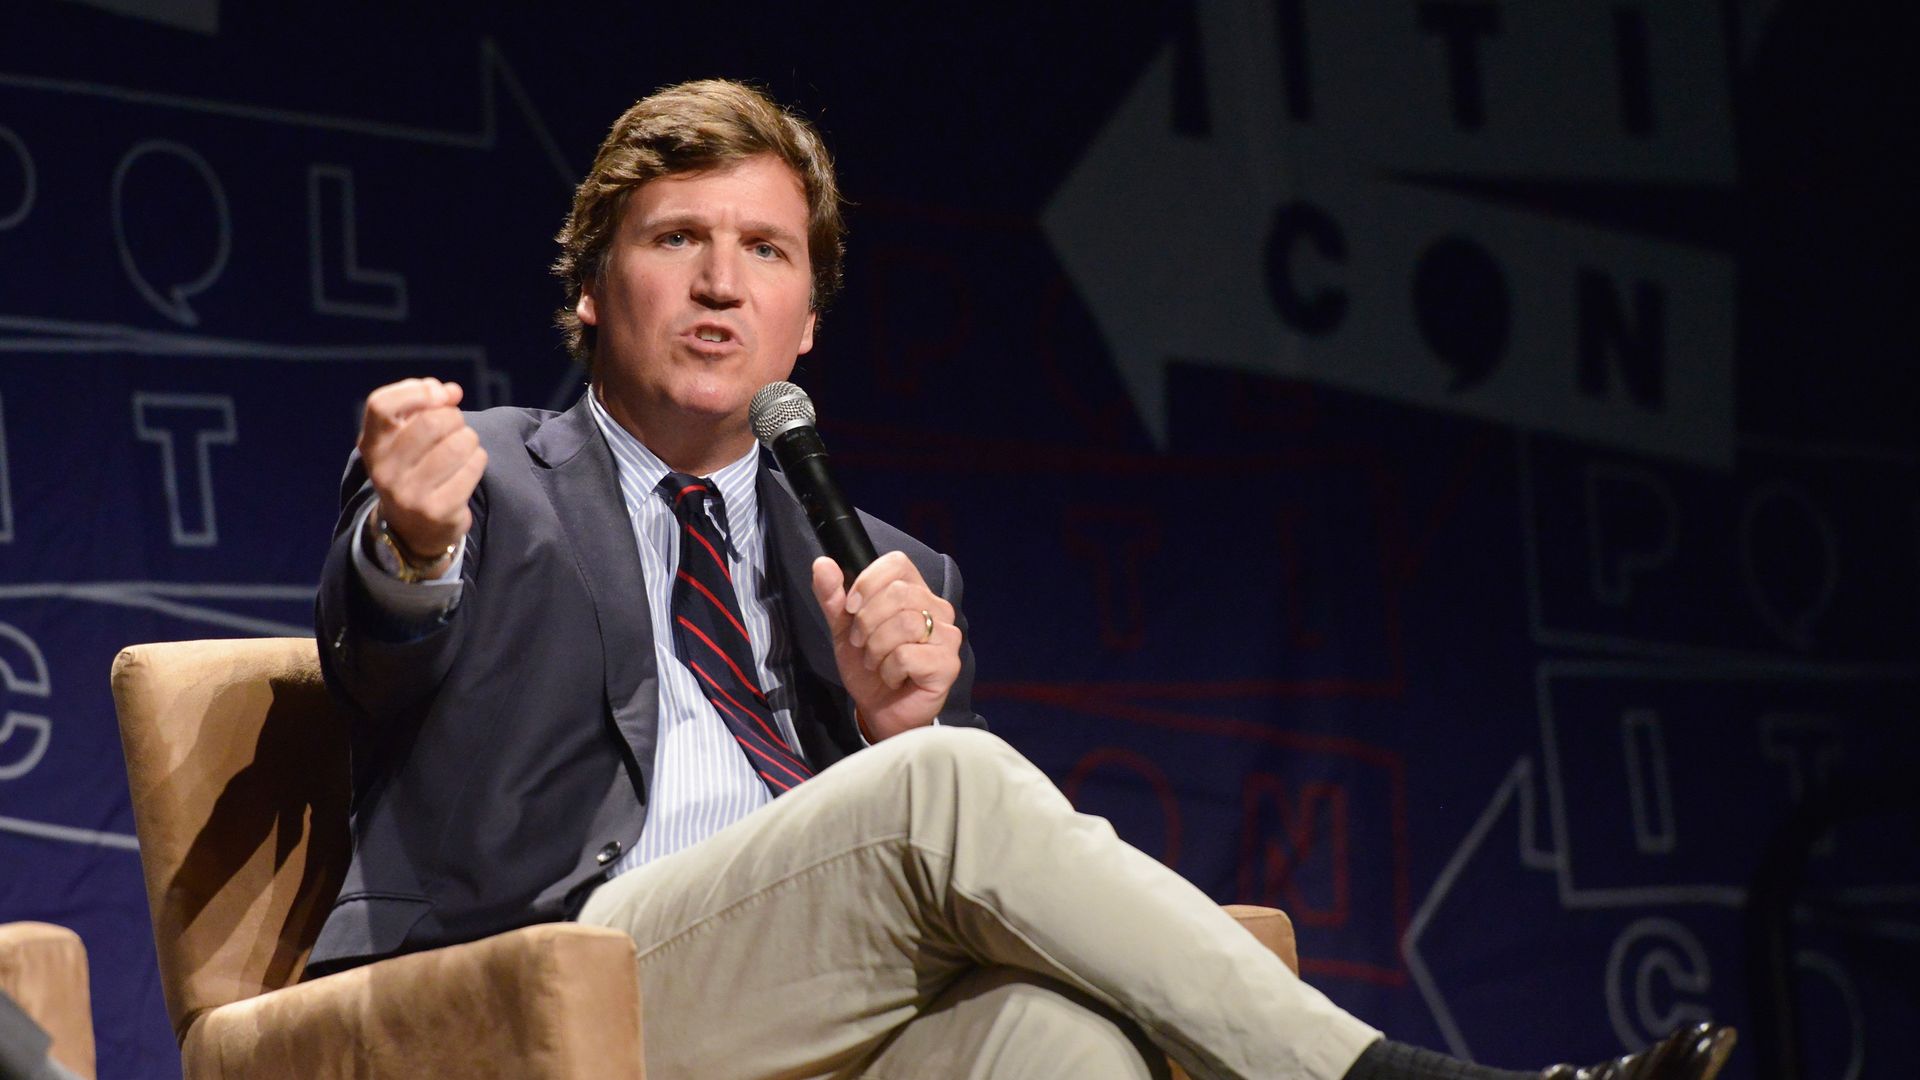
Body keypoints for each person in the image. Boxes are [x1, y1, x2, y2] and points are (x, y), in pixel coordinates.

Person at [313, 79, 1734, 1080]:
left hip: (801, 1002)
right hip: (554, 972)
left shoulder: (885, 571)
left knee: (1071, 1050)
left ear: (807, 322)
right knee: (952, 784)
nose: (720, 284)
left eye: (766, 251)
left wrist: (901, 730)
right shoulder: (478, 470)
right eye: (674, 240)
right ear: (588, 290)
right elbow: (371, 661)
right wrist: (416, 548)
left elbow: (928, 848)